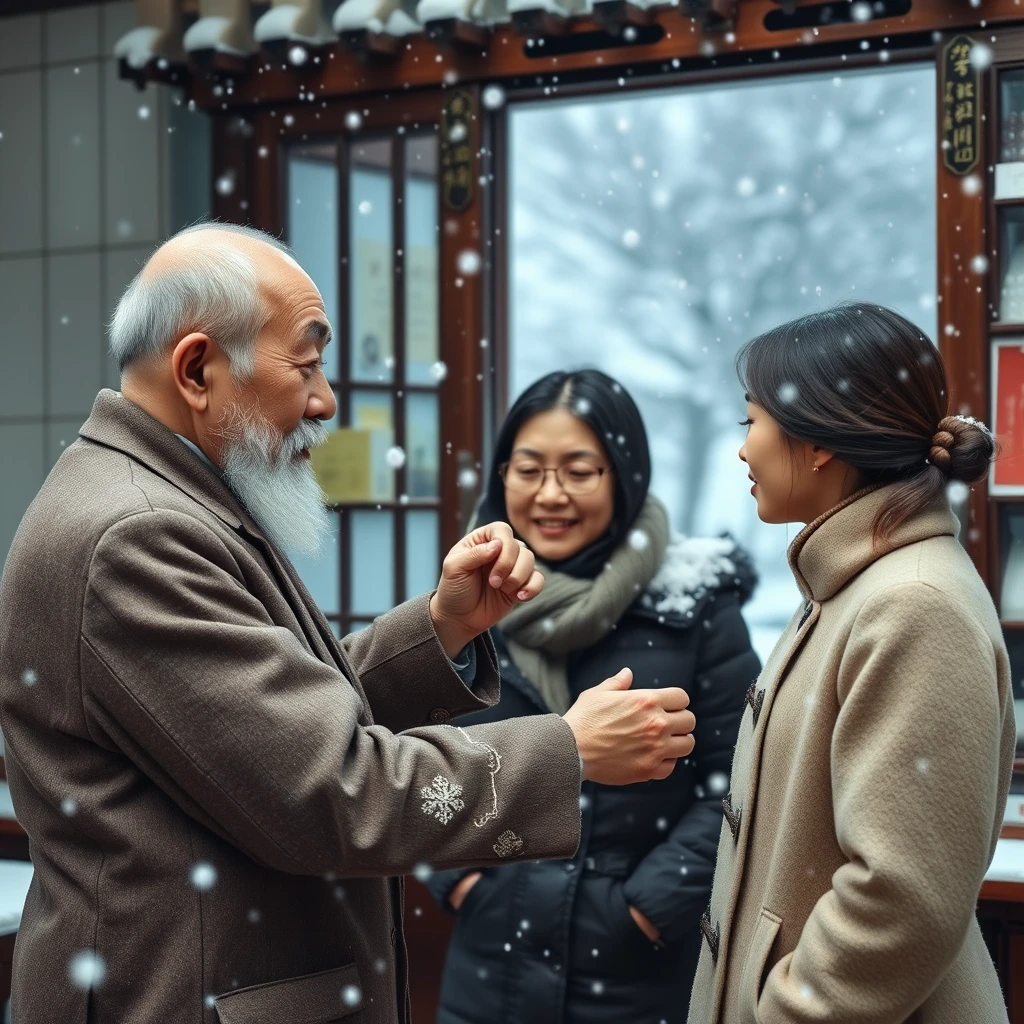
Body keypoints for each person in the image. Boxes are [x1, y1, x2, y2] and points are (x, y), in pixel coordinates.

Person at [0, 224, 699, 1024]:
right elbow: (329, 791)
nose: (327, 401)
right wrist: (566, 751)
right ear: (197, 369)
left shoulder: (160, 497)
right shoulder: (140, 532)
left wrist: (439, 628)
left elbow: (260, 729)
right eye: (306, 364)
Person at [687, 303, 1016, 1024]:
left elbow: (901, 899)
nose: (743, 451)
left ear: (818, 443)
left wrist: (785, 1009)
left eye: (753, 423)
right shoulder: (853, 583)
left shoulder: (912, 604)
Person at [425, 370, 760, 1024]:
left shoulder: (695, 607)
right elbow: (411, 754)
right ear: (502, 477)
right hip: (489, 968)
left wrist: (644, 911)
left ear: (625, 476)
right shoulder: (464, 600)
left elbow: (740, 776)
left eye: (580, 471)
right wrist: (460, 881)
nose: (551, 495)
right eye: (528, 470)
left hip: (639, 977)